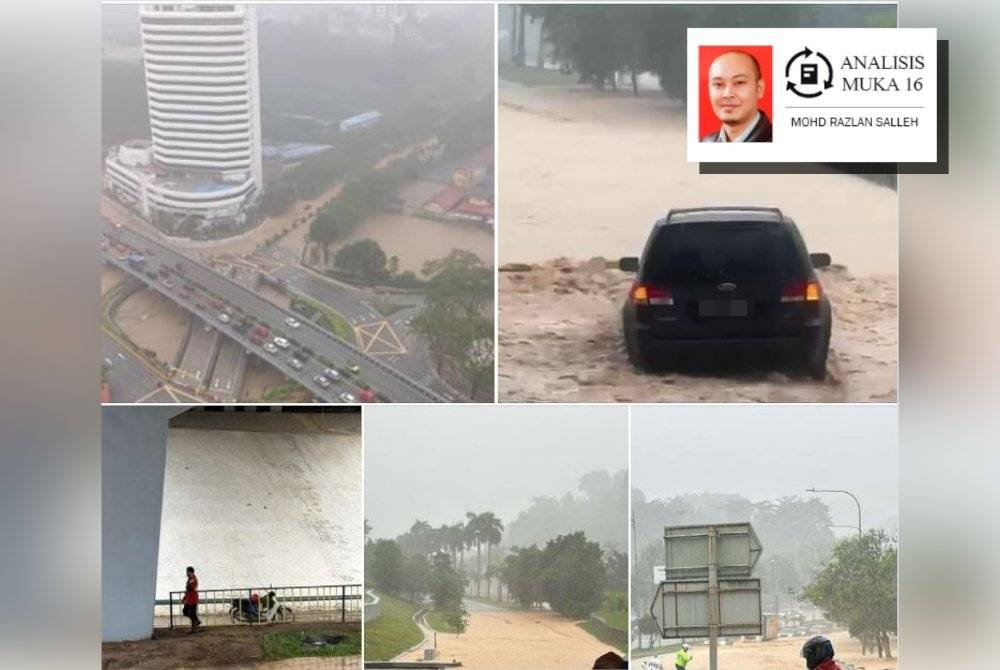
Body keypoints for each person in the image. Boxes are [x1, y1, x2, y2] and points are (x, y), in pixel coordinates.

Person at [700, 50, 772, 143]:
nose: (727, 94)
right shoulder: (704, 143)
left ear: (759, 88)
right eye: (718, 84)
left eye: (739, 82)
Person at [181, 566, 201, 634]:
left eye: (187, 572)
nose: (186, 573)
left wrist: (189, 584)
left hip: (193, 600)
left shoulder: (193, 579)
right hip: (189, 600)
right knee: (185, 611)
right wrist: (184, 598)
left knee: (192, 614)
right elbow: (188, 590)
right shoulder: (189, 579)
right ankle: (197, 621)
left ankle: (194, 629)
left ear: (191, 572)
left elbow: (191, 588)